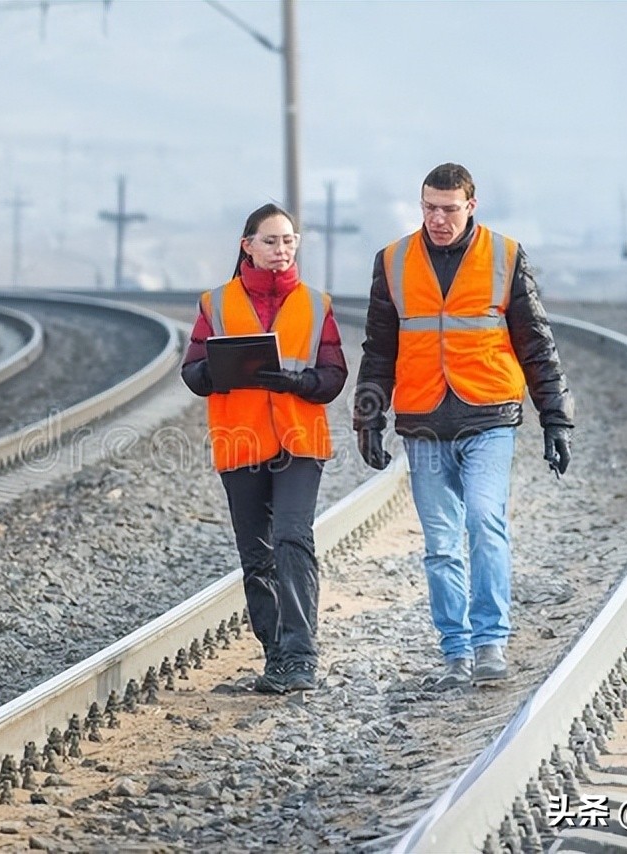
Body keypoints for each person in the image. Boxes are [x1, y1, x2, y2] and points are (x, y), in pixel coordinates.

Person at [354, 163, 574, 690]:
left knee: (483, 519)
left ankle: (490, 642)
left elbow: (536, 342)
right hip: (424, 421)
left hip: (489, 414)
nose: (438, 219)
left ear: (471, 206)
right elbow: (379, 349)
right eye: (429, 207)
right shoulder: (393, 261)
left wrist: (556, 418)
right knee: (440, 543)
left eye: (449, 209)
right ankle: (456, 652)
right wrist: (368, 418)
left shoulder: (505, 256)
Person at [182, 203, 348, 694]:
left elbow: (334, 377)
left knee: (293, 539)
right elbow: (192, 373)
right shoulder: (215, 304)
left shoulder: (317, 304)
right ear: (247, 246)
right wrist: (220, 369)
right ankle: (276, 655)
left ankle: (301, 655)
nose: (281, 250)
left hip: (300, 440)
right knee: (256, 554)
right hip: (241, 440)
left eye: (289, 240)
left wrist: (299, 381)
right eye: (271, 241)